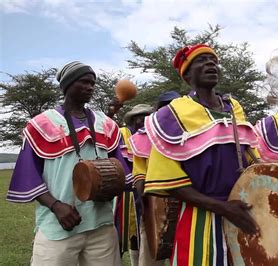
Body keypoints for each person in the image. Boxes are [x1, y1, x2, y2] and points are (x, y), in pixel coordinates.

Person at [6, 61, 132, 265]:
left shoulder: (106, 124)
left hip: (101, 225)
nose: (90, 87)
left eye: (92, 83)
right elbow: (29, 175)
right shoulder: (41, 124)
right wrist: (56, 206)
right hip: (58, 225)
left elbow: (123, 171)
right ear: (67, 85)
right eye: (83, 82)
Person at [143, 44, 259, 265]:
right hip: (200, 218)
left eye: (213, 60)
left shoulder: (234, 108)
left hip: (243, 212)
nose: (210, 64)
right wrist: (224, 208)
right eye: (201, 60)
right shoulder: (170, 115)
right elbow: (172, 183)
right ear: (187, 74)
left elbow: (251, 155)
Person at [129, 90, 180, 266]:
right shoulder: (143, 136)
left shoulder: (192, 132)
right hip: (154, 204)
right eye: (166, 106)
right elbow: (139, 173)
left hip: (188, 203)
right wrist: (147, 204)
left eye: (175, 105)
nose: (171, 110)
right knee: (150, 255)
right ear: (158, 110)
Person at [115, 104, 153, 265]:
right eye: (141, 116)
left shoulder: (151, 135)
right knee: (123, 232)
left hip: (143, 189)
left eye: (146, 116)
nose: (144, 120)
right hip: (124, 191)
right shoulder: (122, 133)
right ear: (134, 119)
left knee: (140, 231)